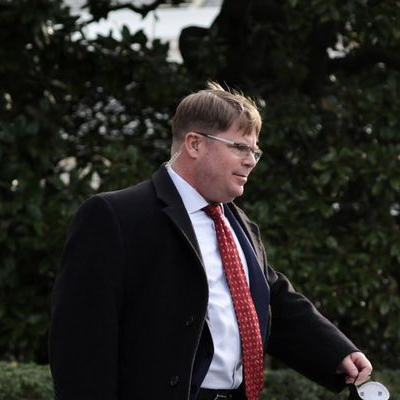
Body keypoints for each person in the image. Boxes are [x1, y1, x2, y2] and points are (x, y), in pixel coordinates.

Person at [49, 82, 373, 400]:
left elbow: (271, 300)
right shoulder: (115, 215)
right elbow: (81, 344)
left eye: (254, 151)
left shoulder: (239, 223)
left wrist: (335, 352)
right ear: (194, 144)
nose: (251, 161)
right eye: (239, 147)